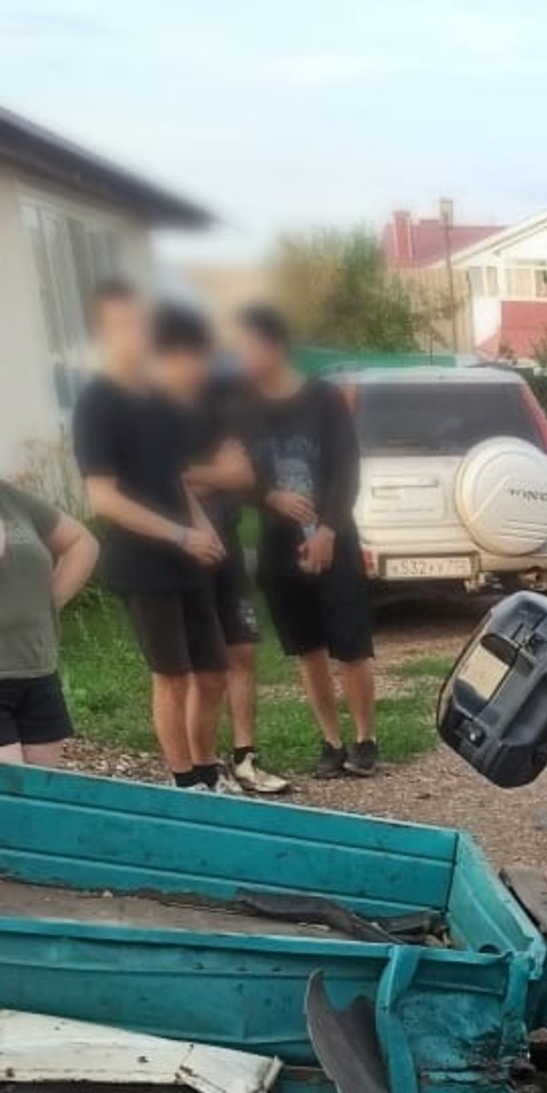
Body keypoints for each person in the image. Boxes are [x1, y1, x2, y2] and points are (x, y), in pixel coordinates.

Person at [71, 279, 233, 789]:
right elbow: (102, 498)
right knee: (173, 677)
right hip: (141, 563)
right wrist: (180, 536)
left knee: (214, 672)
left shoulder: (159, 401)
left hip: (187, 558)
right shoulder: (97, 403)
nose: (135, 333)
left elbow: (175, 478)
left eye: (140, 322)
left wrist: (201, 526)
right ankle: (184, 783)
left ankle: (208, 773)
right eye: (121, 324)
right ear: (101, 332)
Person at [147, 302, 289, 796]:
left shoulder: (215, 408)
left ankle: (242, 757)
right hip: (182, 554)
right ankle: (194, 770)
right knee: (189, 668)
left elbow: (242, 475)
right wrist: (208, 475)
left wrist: (194, 476)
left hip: (225, 542)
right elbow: (156, 480)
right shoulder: (149, 413)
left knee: (239, 651)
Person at [232, 305, 377, 779]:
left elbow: (347, 470)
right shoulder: (241, 408)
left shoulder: (323, 400)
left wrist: (330, 530)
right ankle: (331, 742)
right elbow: (235, 476)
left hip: (334, 538)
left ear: (274, 345)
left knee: (351, 645)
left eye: (246, 347)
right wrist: (269, 496)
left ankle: (365, 739)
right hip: (279, 545)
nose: (240, 357)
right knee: (307, 648)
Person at [0, 478, 98, 767]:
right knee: (10, 786)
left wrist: (48, 604)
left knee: (39, 788)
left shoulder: (10, 498)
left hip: (36, 668)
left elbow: (81, 543)